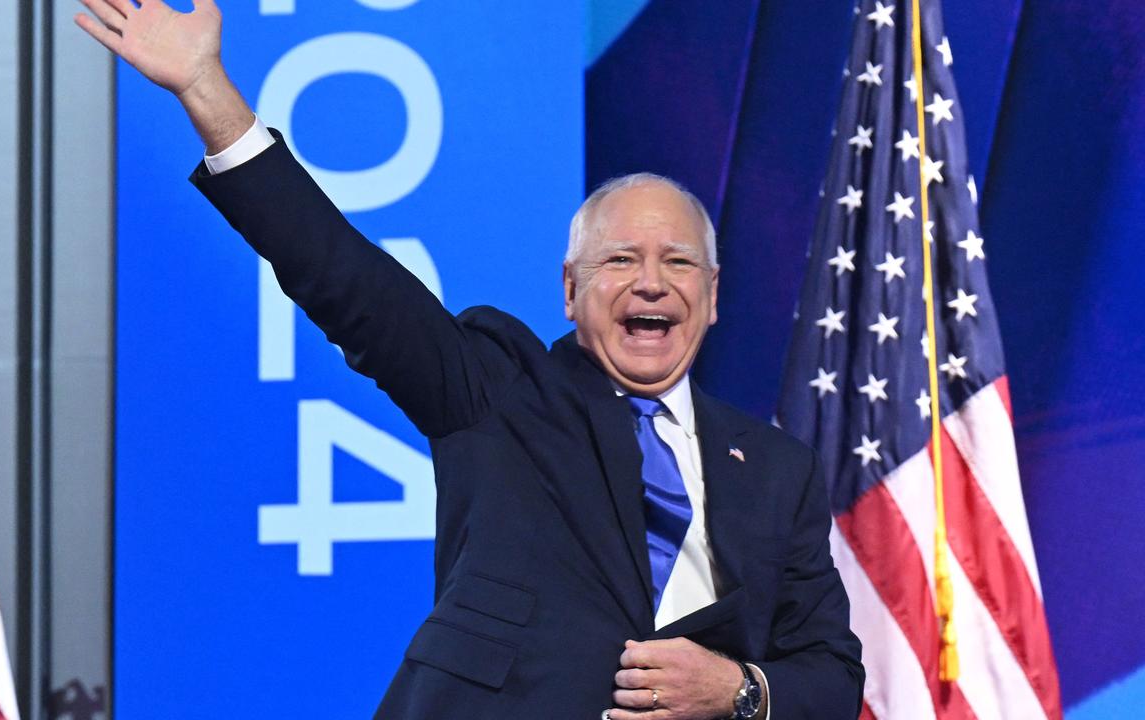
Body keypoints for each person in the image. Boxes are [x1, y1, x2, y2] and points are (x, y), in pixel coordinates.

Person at [75, 1, 864, 717]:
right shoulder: (499, 391)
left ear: (715, 294)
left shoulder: (774, 468)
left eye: (678, 263)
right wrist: (207, 91)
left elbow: (830, 673)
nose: (651, 281)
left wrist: (740, 690)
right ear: (570, 289)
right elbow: (342, 275)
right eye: (620, 260)